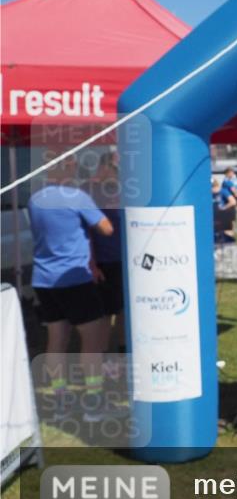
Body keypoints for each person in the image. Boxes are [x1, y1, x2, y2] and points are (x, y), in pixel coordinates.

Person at [28, 153, 116, 422]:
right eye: (73, 163)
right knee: (92, 341)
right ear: (66, 167)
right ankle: (93, 402)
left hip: (44, 279)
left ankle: (60, 401)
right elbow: (106, 228)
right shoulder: (77, 197)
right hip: (73, 280)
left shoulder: (35, 199)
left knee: (57, 341)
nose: (76, 167)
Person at [83, 151, 125, 353]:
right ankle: (103, 354)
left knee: (126, 309)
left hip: (127, 259)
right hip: (106, 261)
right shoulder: (93, 192)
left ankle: (123, 350)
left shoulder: (127, 191)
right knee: (108, 312)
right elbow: (87, 233)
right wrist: (92, 263)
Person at [212, 177, 237, 243]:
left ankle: (230, 244)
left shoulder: (223, 191)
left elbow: (233, 201)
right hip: (214, 216)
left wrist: (224, 207)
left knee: (227, 232)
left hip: (224, 215)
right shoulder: (209, 193)